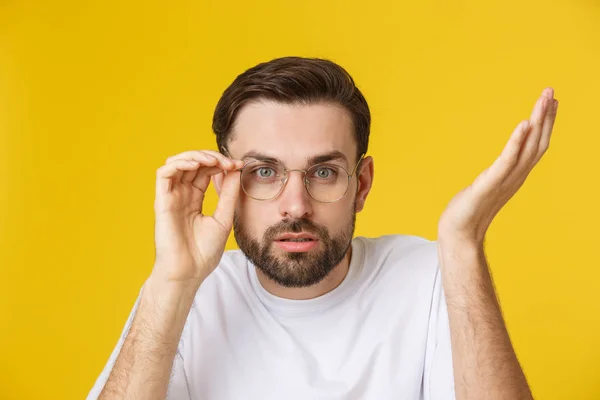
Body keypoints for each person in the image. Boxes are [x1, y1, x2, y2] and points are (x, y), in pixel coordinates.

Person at [87, 57, 558, 400]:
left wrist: (463, 242)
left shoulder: (433, 276)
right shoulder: (188, 294)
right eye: (265, 172)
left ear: (362, 183)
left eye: (324, 173)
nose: (296, 206)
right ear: (225, 184)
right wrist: (172, 283)